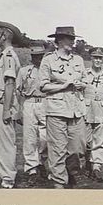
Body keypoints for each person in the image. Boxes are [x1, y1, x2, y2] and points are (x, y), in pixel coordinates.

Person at [39, 26, 86, 189]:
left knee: (77, 149)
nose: (73, 41)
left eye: (73, 38)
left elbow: (85, 81)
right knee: (57, 149)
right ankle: (59, 183)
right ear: (58, 40)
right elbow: (43, 86)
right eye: (69, 38)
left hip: (76, 110)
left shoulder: (78, 60)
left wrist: (81, 84)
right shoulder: (48, 60)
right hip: (57, 110)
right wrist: (64, 85)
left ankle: (71, 173)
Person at [0, 21, 22, 189]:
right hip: (1, 102)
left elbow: (9, 84)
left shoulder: (8, 56)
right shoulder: (4, 55)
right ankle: (6, 176)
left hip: (4, 103)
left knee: (5, 142)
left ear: (5, 36)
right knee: (1, 141)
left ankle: (8, 178)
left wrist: (7, 110)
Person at [16, 41, 48, 186]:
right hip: (29, 104)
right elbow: (17, 90)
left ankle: (41, 160)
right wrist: (17, 110)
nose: (39, 59)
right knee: (29, 138)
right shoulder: (24, 71)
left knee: (45, 137)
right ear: (31, 57)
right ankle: (32, 169)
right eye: (36, 56)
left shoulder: (49, 71)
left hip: (46, 103)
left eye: (41, 55)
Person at [83, 47, 103, 182]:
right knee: (85, 140)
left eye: (100, 58)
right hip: (86, 109)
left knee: (100, 140)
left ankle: (96, 168)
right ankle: (87, 163)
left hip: (102, 109)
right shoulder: (84, 73)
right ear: (91, 58)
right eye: (95, 57)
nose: (97, 60)